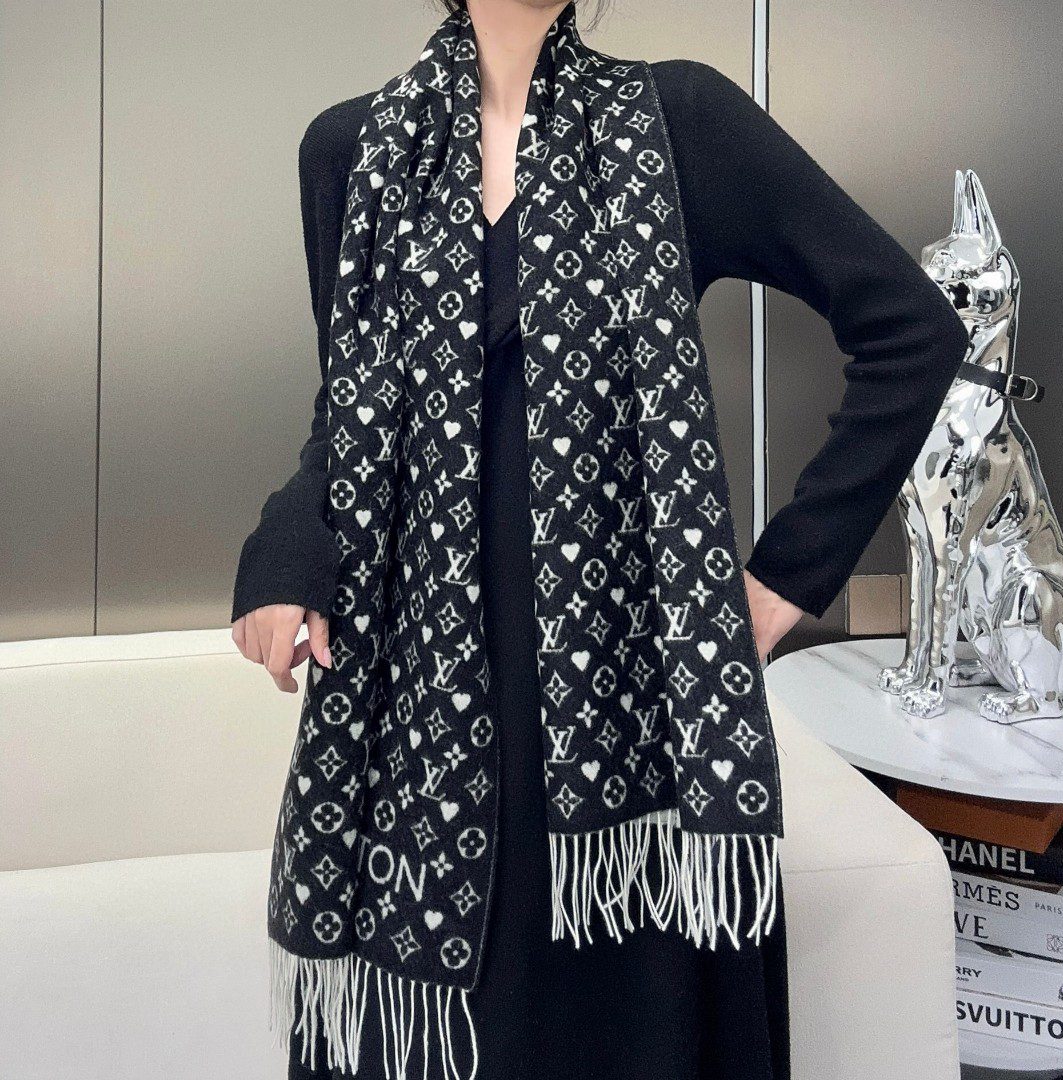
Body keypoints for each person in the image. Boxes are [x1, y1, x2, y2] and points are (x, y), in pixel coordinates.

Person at [230, 2, 970, 1077]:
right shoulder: (348, 151)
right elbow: (345, 422)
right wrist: (284, 554)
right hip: (417, 726)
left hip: (630, 737)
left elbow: (914, 330)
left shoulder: (681, 122)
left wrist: (778, 583)